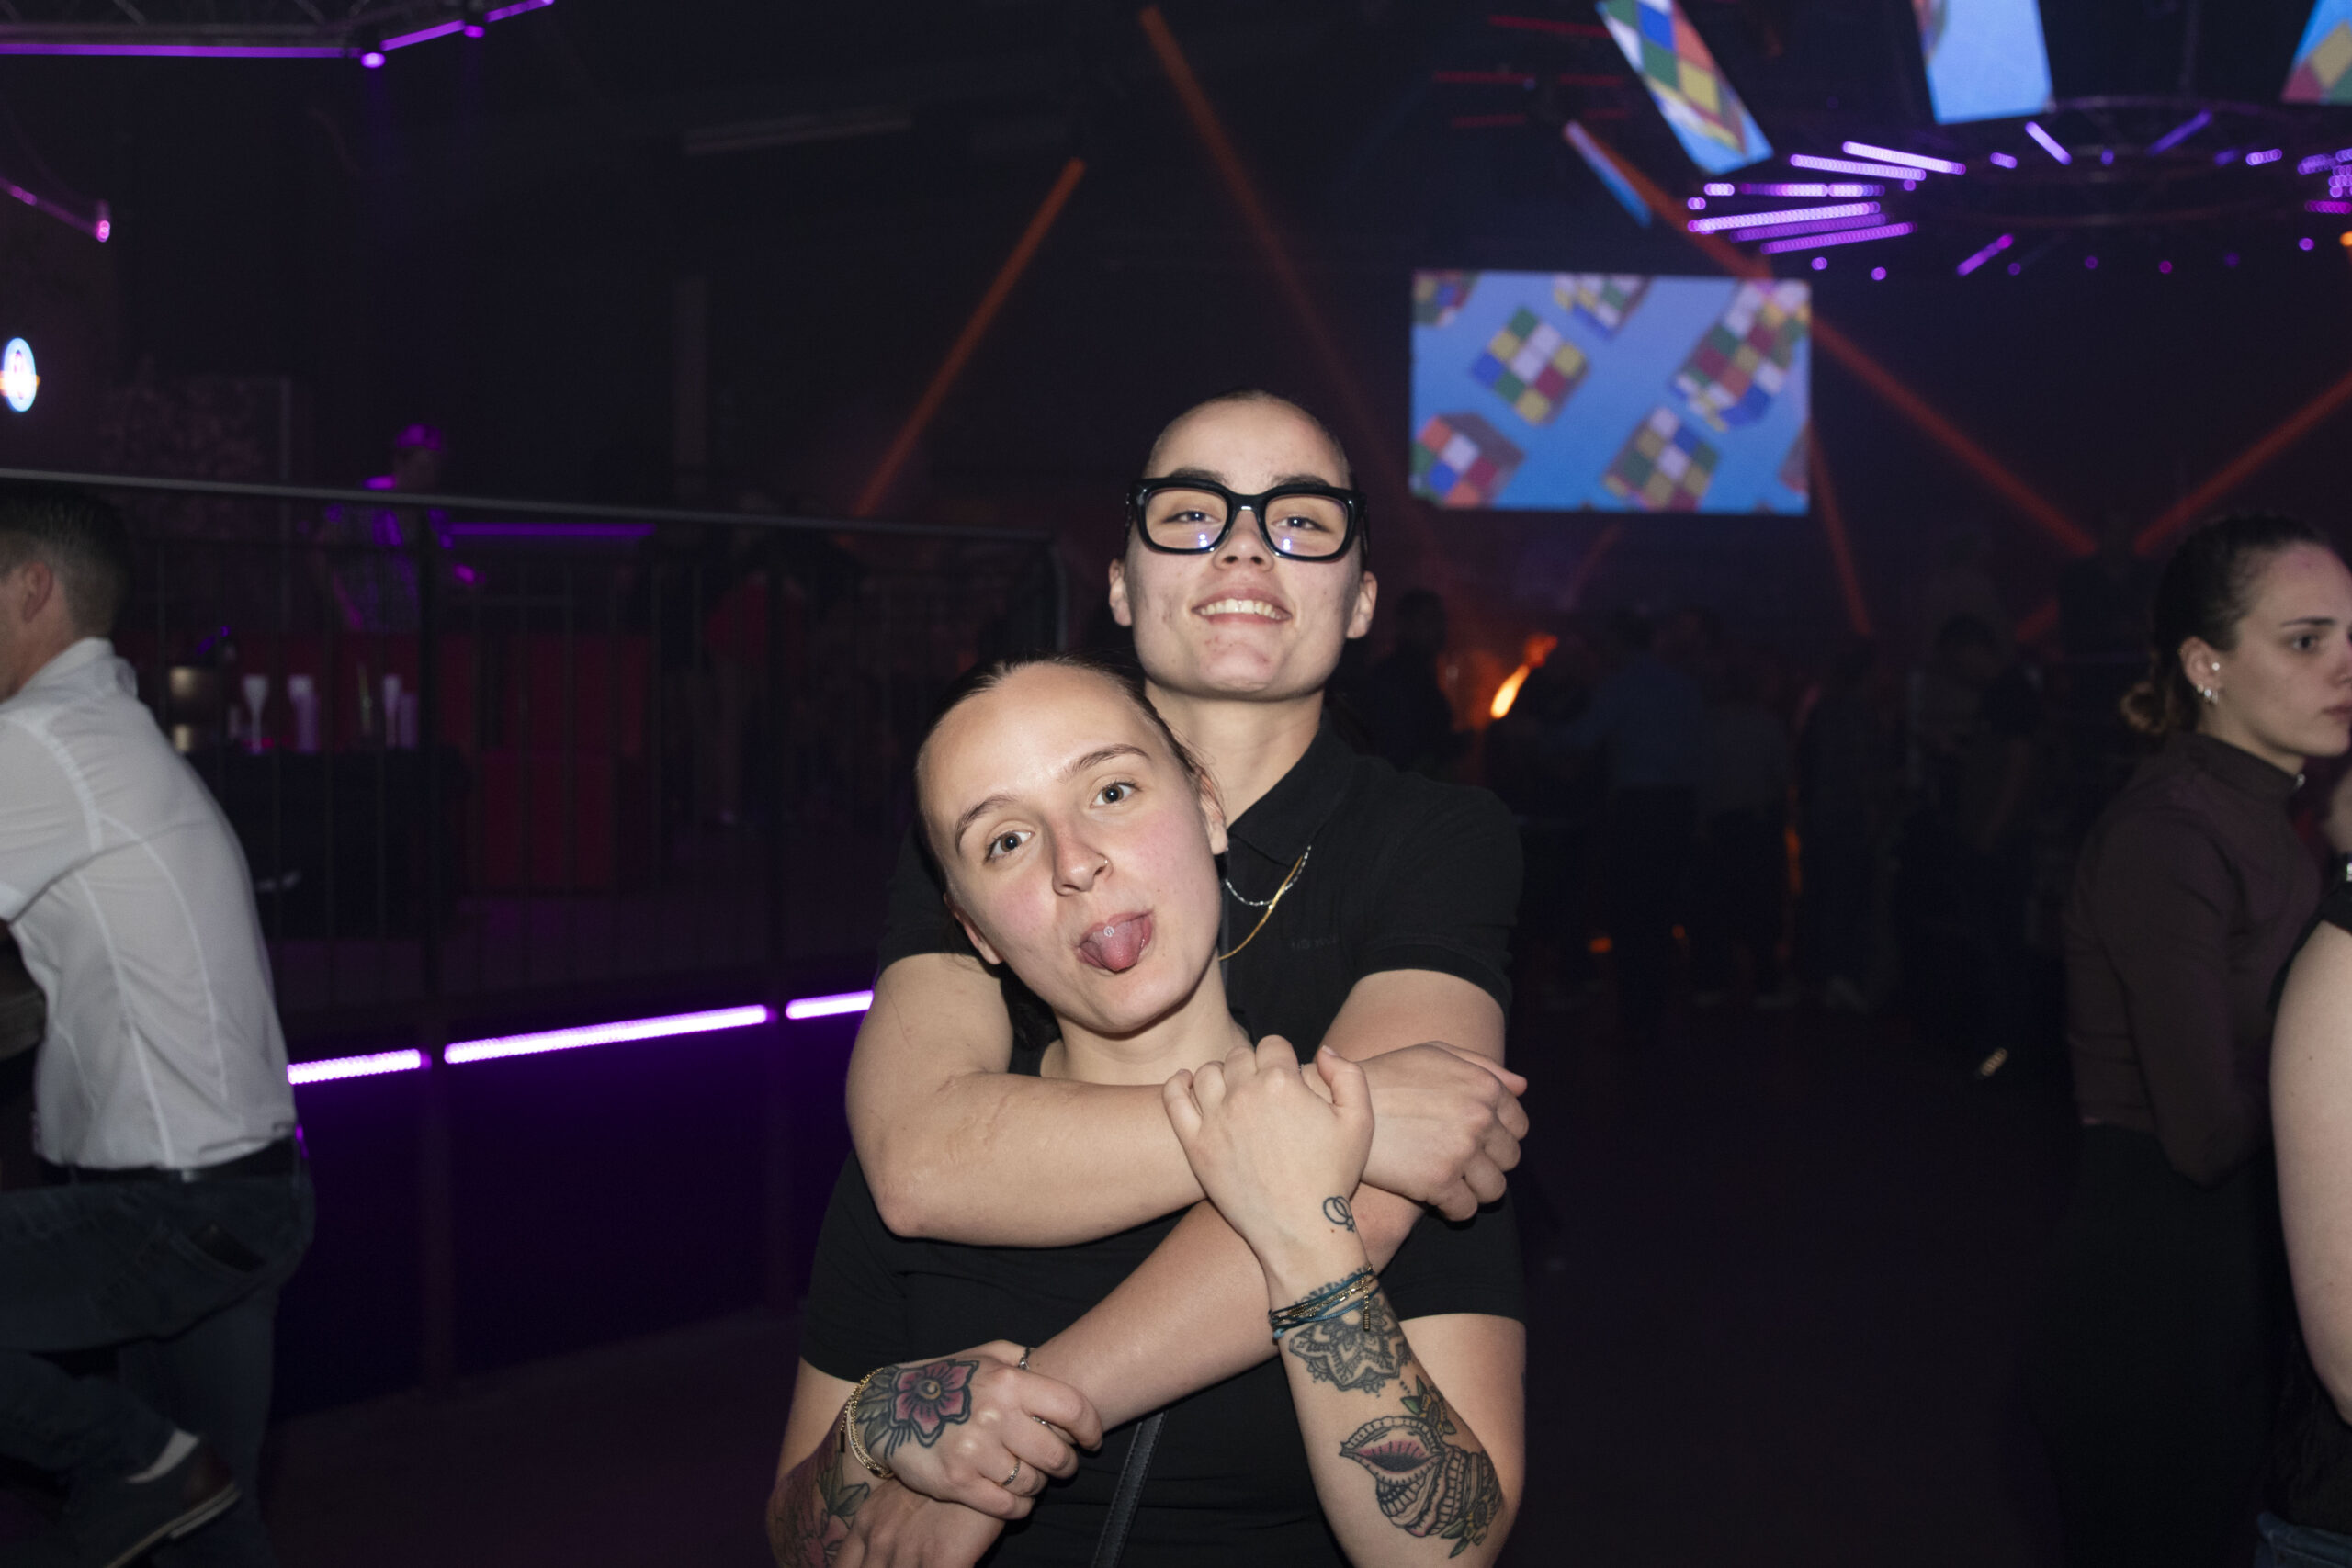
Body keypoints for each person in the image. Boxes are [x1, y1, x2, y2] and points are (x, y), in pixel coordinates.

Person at [812, 389, 1528, 1562]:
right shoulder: (982, 810)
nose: (1242, 544)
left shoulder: (1432, 838)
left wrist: (1006, 1433)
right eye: (1191, 513)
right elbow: (918, 1161)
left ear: (1361, 600)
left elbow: (1383, 1196)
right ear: (1118, 583)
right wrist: (1333, 1126)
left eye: (1300, 520)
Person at [2027, 513, 2352, 1568]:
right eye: (2305, 640)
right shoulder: (2171, 832)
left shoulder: (2262, 816)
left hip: (2226, 1286)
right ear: (2205, 664)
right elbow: (2203, 1133)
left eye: (2351, 637)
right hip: (2157, 1304)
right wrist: (2324, 1084)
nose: (2344, 666)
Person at [0, 486, 313, 1568]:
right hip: (244, 1194)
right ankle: (153, 1471)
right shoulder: (107, 728)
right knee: (208, 1530)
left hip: (170, 1211)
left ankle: (122, 1455)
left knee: (160, 1480)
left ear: (31, 588)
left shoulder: (43, 741)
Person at [1544, 607, 1708, 1044]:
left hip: (1638, 809)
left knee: (1630, 909)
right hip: (1678, 806)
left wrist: (1532, 734)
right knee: (1663, 907)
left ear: (1619, 642)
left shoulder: (1620, 686)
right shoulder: (1684, 687)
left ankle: (1636, 1013)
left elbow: (1582, 737)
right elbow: (1701, 753)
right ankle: (1659, 1008)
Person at [1688, 655, 1794, 1010]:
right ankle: (1765, 984)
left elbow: (1697, 778)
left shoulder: (1706, 725)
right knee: (1760, 904)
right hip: (1756, 824)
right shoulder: (1766, 723)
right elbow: (1782, 777)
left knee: (1715, 906)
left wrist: (1700, 821)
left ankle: (1711, 982)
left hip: (1718, 826)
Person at [1357, 589, 1465, 778]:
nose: (1439, 628)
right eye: (1429, 620)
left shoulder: (1422, 676)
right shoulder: (1394, 679)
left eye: (1440, 619)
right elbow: (1401, 751)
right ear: (1406, 625)